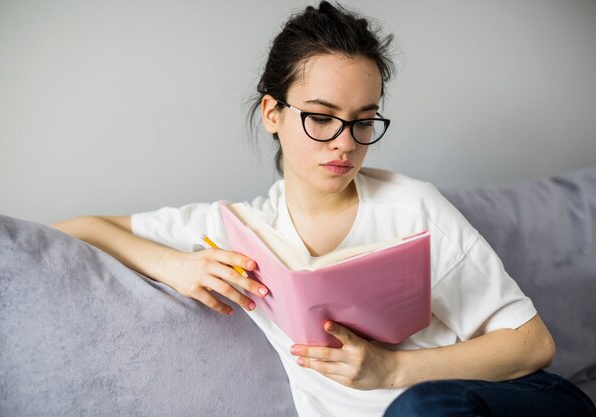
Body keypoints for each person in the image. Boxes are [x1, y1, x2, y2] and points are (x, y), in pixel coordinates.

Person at [53, 2, 596, 416]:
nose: (344, 143)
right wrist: (177, 265)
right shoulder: (238, 230)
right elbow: (75, 229)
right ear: (273, 112)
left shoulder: (412, 204)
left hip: (512, 400)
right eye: (320, 116)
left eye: (364, 120)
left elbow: (534, 344)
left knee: (418, 408)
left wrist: (392, 368)